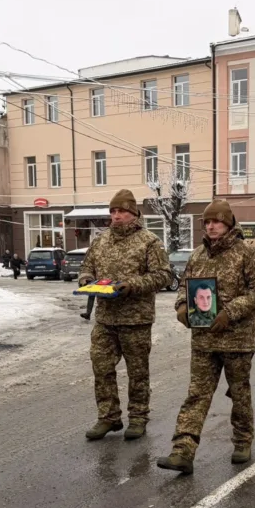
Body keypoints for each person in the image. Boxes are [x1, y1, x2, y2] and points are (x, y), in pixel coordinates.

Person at [157, 199, 255, 474]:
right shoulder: (197, 255)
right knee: (196, 395)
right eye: (207, 222)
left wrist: (230, 313)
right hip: (204, 340)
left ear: (228, 223)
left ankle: (242, 441)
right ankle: (183, 450)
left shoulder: (247, 253)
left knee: (239, 393)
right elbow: (184, 287)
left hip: (237, 339)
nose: (211, 226)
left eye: (216, 221)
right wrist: (182, 307)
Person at [79, 189, 172, 441]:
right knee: (101, 366)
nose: (116, 216)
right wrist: (86, 279)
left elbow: (163, 275)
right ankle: (108, 417)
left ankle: (138, 418)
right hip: (105, 318)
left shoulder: (149, 241)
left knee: (137, 372)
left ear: (133, 213)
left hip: (136, 319)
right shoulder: (101, 241)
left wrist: (132, 285)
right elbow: (87, 266)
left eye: (121, 211)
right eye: (113, 211)